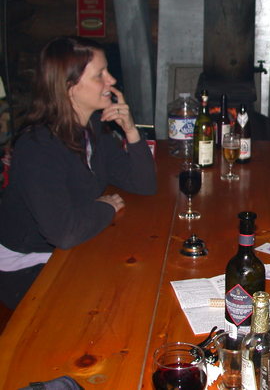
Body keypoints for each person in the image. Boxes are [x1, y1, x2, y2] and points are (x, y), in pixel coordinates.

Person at [0, 36, 157, 309]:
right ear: (69, 86)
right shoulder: (38, 146)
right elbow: (64, 233)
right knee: (116, 302)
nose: (111, 81)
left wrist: (131, 129)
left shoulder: (93, 128)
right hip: (25, 265)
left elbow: (143, 184)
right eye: (100, 75)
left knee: (142, 277)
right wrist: (105, 207)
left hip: (65, 248)